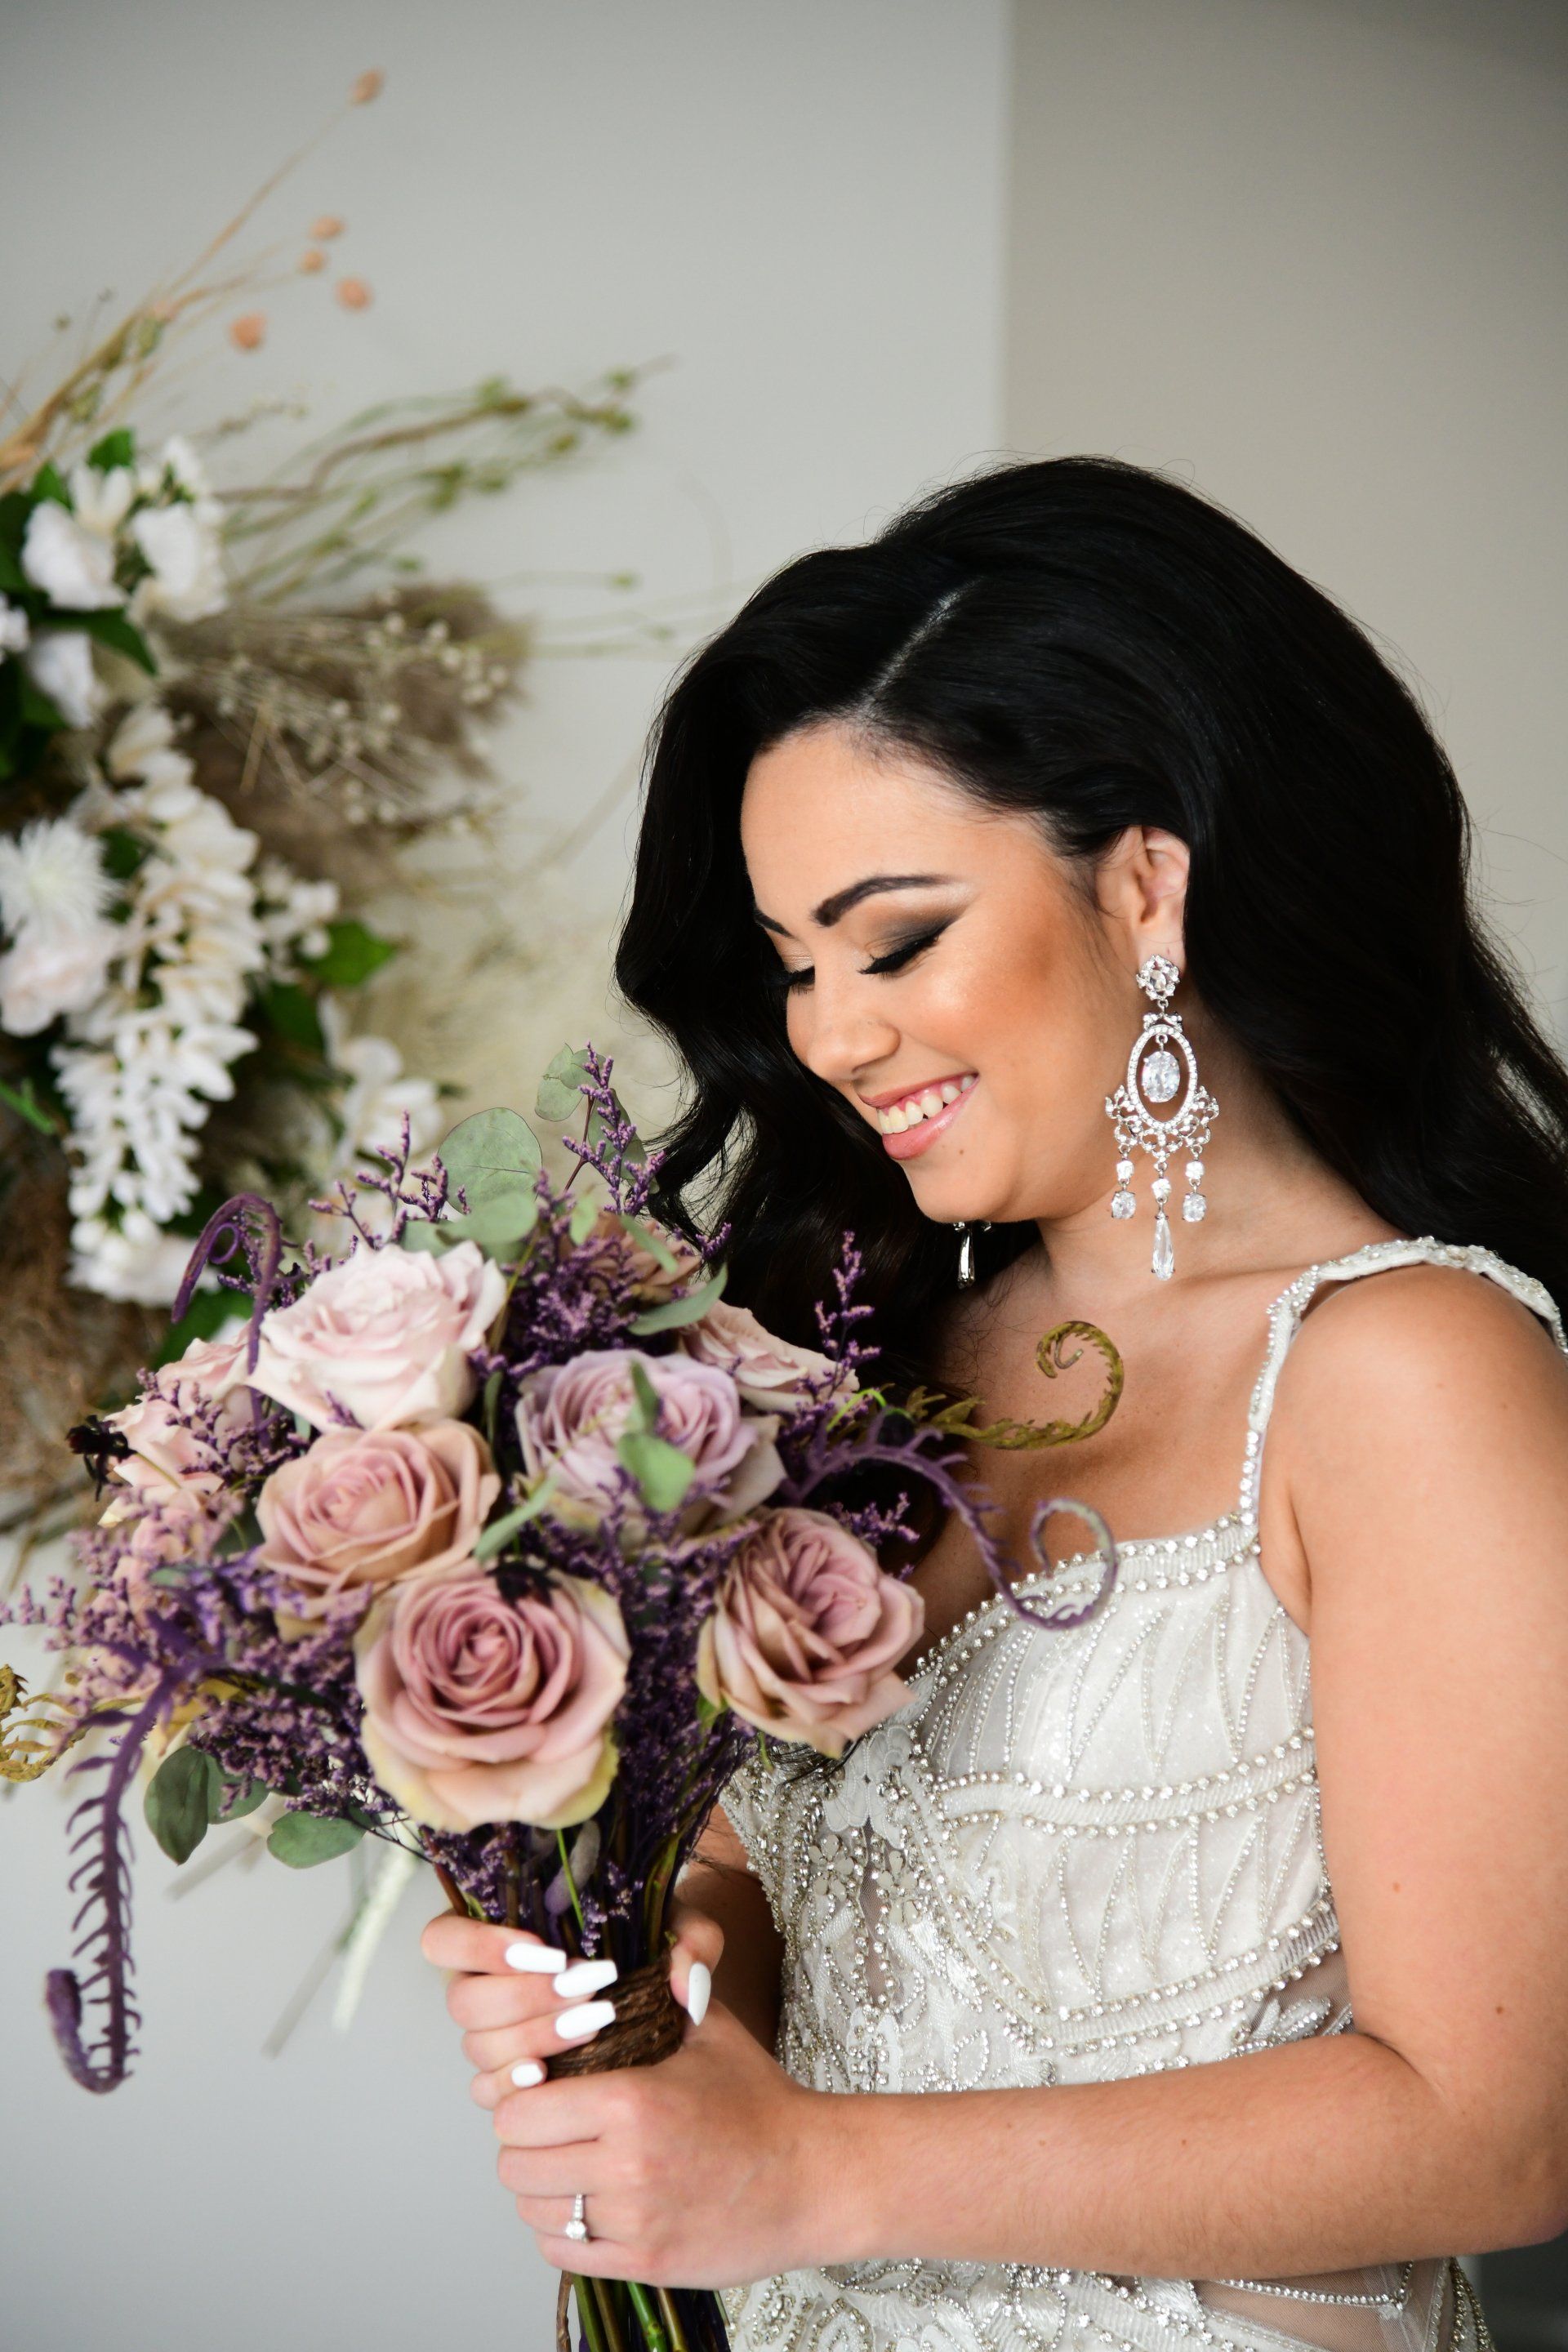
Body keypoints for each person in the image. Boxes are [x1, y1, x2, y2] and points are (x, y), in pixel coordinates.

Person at [421, 457, 1568, 2352]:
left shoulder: (1408, 1371)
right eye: (793, 965)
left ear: (1144, 880)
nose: (828, 1032)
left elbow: (1497, 2123)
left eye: (895, 940)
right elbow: (773, 1887)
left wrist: (812, 2174)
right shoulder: (854, 1363)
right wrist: (653, 1978)